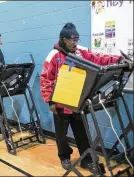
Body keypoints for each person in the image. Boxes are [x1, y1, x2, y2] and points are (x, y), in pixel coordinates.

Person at [40, 23, 129, 172]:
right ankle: (65, 157)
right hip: (60, 102)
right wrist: (50, 101)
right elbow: (45, 79)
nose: (75, 43)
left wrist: (119, 60)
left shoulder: (81, 51)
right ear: (63, 39)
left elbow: (98, 58)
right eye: (72, 40)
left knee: (82, 131)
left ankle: (86, 160)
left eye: (77, 40)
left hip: (78, 100)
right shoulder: (53, 55)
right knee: (61, 134)